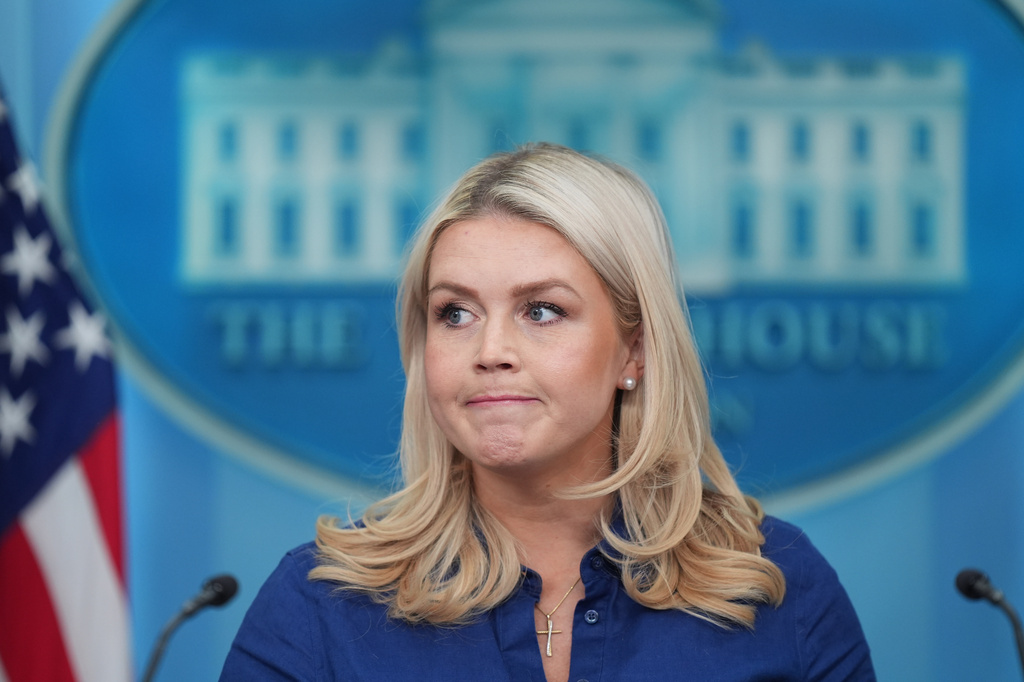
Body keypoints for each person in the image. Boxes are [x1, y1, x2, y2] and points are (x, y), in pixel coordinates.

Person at [220, 143, 875, 681]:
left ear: (634, 350)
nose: (490, 351)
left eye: (541, 310)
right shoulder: (320, 605)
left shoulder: (779, 584)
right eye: (455, 313)